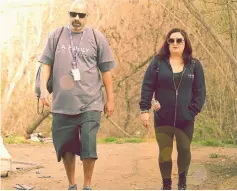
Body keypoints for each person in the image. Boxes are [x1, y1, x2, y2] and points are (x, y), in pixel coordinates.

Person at [39, 0, 115, 190]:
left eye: (81, 15)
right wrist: (42, 91)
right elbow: (45, 65)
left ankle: (87, 185)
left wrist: (110, 99)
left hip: (91, 102)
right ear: (69, 14)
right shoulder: (56, 36)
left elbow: (106, 71)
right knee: (66, 146)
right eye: (73, 14)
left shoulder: (97, 38)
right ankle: (72, 184)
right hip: (62, 103)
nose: (77, 19)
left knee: (89, 145)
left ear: (86, 17)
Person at [139, 28, 206, 190]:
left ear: (185, 43)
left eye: (179, 40)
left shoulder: (194, 65)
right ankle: (166, 184)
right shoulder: (157, 63)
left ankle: (182, 183)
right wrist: (144, 110)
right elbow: (147, 86)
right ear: (167, 43)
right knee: (165, 152)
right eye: (171, 40)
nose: (175, 43)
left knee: (184, 150)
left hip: (186, 119)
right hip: (163, 117)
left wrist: (191, 112)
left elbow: (200, 92)